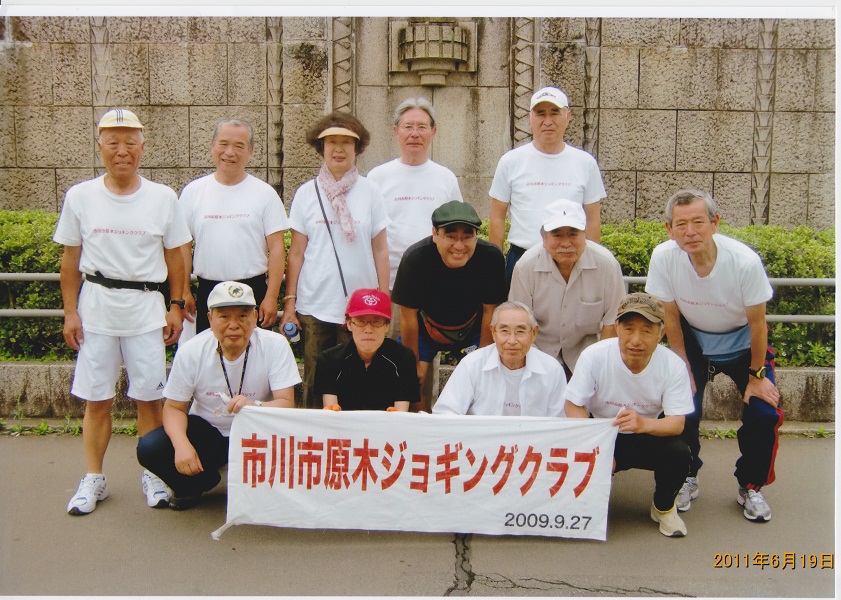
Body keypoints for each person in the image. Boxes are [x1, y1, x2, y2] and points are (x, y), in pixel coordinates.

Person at [54, 108, 191, 515]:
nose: (122, 151)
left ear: (142, 147)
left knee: (150, 398)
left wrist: (176, 305)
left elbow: (177, 256)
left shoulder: (163, 197)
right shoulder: (80, 196)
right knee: (97, 398)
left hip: (146, 309)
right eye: (113, 142)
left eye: (130, 142)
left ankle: (153, 473)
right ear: (100, 146)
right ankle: (93, 477)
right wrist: (70, 312)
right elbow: (70, 260)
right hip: (96, 309)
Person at [645, 189, 783, 522]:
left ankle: (751, 486)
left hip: (744, 345)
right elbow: (671, 316)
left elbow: (758, 324)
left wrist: (756, 377)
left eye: (698, 222)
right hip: (693, 341)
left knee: (764, 413)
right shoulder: (664, 257)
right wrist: (682, 367)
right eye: (681, 224)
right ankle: (686, 476)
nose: (690, 232)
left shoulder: (744, 261)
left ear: (715, 223)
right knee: (680, 406)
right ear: (669, 229)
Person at [136, 281, 300, 510]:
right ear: (210, 319)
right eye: (224, 317)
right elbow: (173, 407)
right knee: (151, 447)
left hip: (257, 433)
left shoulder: (275, 345)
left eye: (242, 316)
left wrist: (255, 406)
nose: (234, 325)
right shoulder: (191, 351)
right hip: (209, 433)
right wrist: (182, 445)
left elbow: (286, 403)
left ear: (254, 317)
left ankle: (261, 484)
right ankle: (195, 484)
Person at [280, 112, 390, 409]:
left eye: (346, 142)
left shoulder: (370, 191)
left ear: (357, 148)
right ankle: (313, 434)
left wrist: (384, 298)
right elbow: (297, 253)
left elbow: (380, 249)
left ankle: (352, 434)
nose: (339, 149)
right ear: (321, 147)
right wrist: (289, 303)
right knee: (315, 379)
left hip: (360, 305)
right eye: (331, 142)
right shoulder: (306, 193)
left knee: (357, 379)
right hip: (315, 304)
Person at [564, 293, 693, 538]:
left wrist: (643, 424)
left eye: (646, 331)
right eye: (629, 328)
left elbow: (677, 424)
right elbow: (572, 405)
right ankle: (581, 505)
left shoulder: (673, 365)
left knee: (679, 452)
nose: (636, 340)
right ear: (617, 328)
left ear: (661, 333)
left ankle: (664, 508)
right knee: (566, 448)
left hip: (646, 433)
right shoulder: (594, 356)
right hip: (600, 433)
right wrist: (598, 447)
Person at [392, 201, 507, 412]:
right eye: (451, 236)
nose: (459, 246)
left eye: (467, 237)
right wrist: (413, 365)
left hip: (472, 328)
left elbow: (490, 311)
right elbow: (408, 316)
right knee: (411, 379)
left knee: (483, 378)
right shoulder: (415, 258)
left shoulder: (490, 257)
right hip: (426, 328)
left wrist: (482, 360)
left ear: (476, 236)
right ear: (435, 234)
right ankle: (424, 424)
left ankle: (472, 426)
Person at [179, 118, 289, 333]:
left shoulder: (265, 193)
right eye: (223, 144)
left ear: (250, 151)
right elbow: (182, 246)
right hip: (208, 291)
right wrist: (184, 292)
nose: (230, 152)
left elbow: (277, 249)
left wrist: (271, 297)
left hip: (253, 291)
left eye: (239, 146)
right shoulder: (193, 192)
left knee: (254, 352)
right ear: (212, 145)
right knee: (211, 351)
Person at [488, 86, 606, 285]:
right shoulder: (511, 161)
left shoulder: (585, 163)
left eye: (555, 113)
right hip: (522, 258)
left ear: (568, 117)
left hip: (570, 258)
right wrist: (495, 265)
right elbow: (497, 216)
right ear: (530, 118)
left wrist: (591, 262)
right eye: (541, 114)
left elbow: (593, 219)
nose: (548, 121)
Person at [509, 198, 624, 379]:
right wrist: (537, 368)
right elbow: (518, 323)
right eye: (557, 235)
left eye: (573, 234)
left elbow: (612, 323)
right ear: (544, 239)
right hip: (538, 354)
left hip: (588, 355)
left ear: (585, 235)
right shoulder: (525, 267)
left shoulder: (607, 265)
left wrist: (598, 369)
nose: (566, 243)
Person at [367, 97, 463, 302]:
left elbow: (458, 231)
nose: (415, 134)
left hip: (437, 281)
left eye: (422, 127)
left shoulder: (445, 177)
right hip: (388, 283)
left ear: (433, 132)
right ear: (396, 131)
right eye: (408, 126)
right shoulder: (377, 177)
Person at [433, 301, 567, 416]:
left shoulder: (552, 370)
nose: (512, 340)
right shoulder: (472, 364)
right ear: (493, 332)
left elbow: (560, 424)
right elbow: (446, 414)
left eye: (520, 332)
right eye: (504, 331)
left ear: (534, 333)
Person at [315, 289, 419, 412]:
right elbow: (331, 413)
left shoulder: (404, 359)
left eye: (376, 321)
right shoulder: (329, 361)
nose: (368, 329)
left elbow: (401, 414)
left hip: (388, 423)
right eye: (361, 321)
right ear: (349, 324)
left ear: (387, 326)